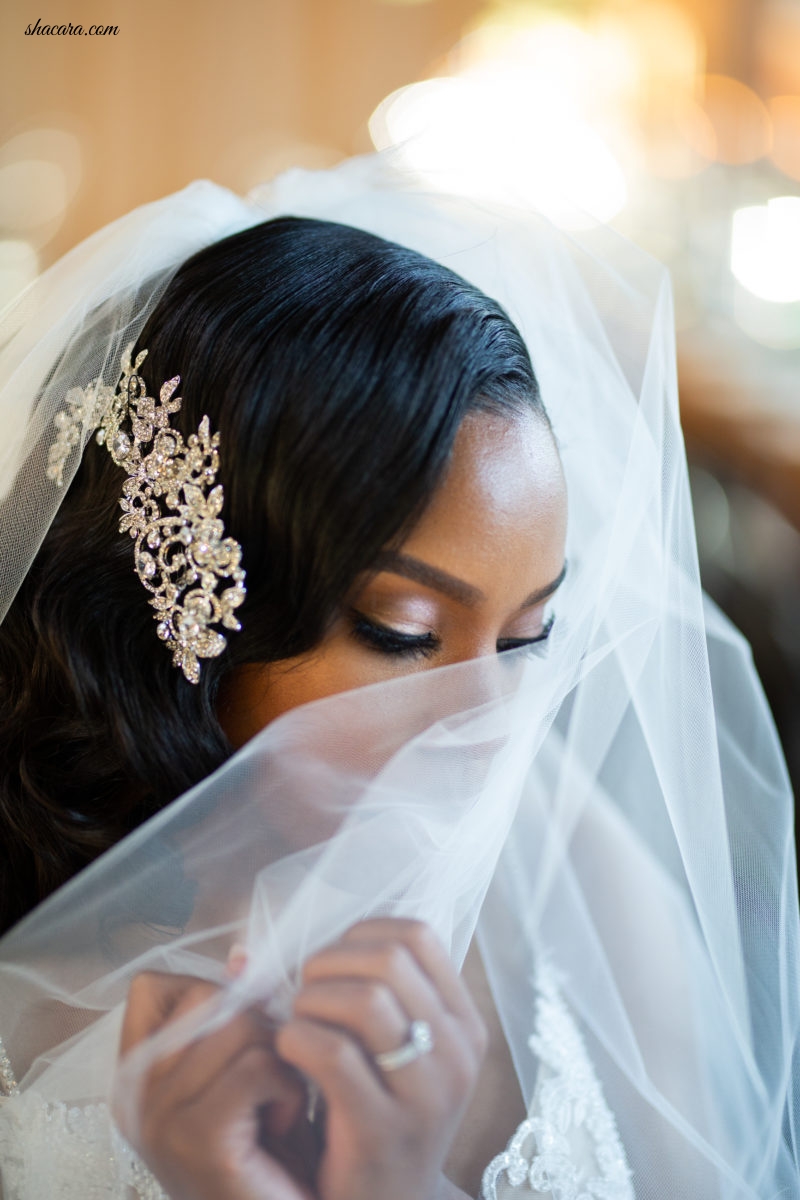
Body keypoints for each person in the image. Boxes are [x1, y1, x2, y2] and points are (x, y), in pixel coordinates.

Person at [0, 153, 797, 1200]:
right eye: (403, 633)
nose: (487, 730)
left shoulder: (583, 888)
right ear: (181, 612)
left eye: (526, 641)